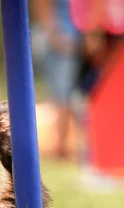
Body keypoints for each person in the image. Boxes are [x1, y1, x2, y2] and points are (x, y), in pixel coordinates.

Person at [34, 0, 83, 159]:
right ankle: (62, 148)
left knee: (72, 98)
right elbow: (42, 6)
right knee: (62, 97)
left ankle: (70, 146)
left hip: (76, 40)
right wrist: (54, 35)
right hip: (61, 42)